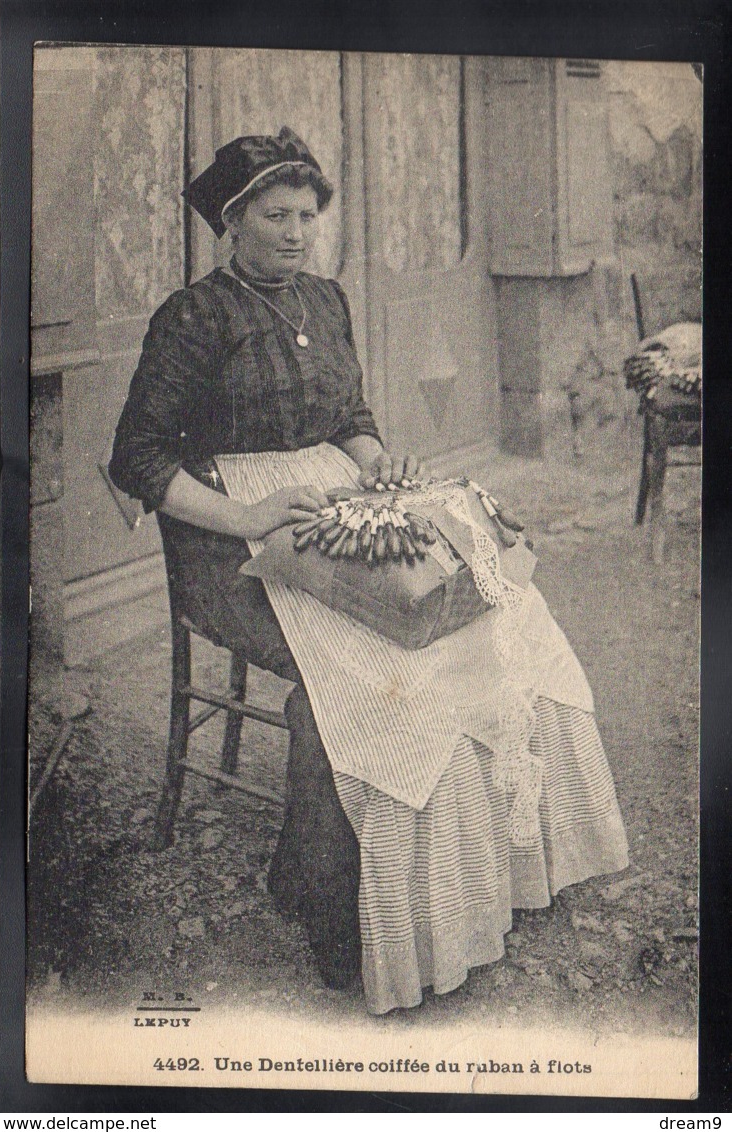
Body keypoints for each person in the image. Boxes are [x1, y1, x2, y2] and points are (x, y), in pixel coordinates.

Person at [110, 127, 629, 1014]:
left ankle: (486, 873)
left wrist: (375, 458)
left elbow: (349, 410)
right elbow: (139, 458)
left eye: (307, 217)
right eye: (275, 216)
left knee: (491, 611)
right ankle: (323, 897)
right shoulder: (193, 317)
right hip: (229, 545)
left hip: (333, 509)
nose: (295, 233)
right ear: (231, 225)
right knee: (353, 681)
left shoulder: (325, 296)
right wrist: (243, 516)